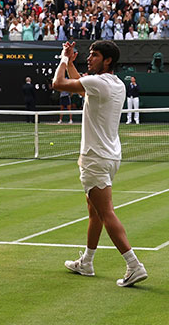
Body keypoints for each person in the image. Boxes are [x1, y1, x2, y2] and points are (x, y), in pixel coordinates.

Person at [52, 40, 147, 288]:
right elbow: (82, 88)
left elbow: (58, 84)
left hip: (95, 158)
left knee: (105, 213)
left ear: (107, 61)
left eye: (94, 55)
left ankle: (134, 265)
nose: (89, 58)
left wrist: (63, 58)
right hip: (111, 157)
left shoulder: (97, 82)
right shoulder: (115, 84)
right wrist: (73, 64)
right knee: (93, 210)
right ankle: (87, 261)